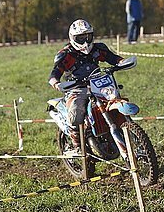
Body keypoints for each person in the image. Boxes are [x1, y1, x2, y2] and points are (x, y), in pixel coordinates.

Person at [48, 19, 124, 154]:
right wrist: (55, 82)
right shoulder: (66, 54)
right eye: (80, 38)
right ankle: (77, 145)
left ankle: (124, 130)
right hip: (76, 88)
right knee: (76, 112)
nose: (85, 42)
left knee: (115, 99)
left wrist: (122, 61)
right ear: (73, 38)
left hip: (98, 83)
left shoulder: (98, 49)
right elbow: (56, 72)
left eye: (88, 37)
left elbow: (112, 58)